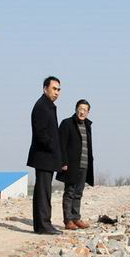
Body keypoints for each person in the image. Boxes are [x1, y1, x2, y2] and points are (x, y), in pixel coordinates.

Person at [27, 76, 63, 235]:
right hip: (43, 156)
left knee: (44, 191)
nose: (57, 92)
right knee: (43, 192)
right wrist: (53, 147)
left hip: (48, 157)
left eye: (59, 89)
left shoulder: (49, 106)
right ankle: (43, 225)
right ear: (45, 89)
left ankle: (43, 224)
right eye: (54, 88)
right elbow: (41, 134)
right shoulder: (41, 106)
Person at [57, 100, 94, 230]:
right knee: (70, 192)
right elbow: (61, 144)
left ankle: (76, 218)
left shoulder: (88, 125)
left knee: (79, 192)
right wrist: (63, 162)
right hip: (71, 165)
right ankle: (68, 220)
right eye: (80, 109)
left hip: (84, 164)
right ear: (76, 109)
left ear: (88, 112)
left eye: (85, 110)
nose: (82, 112)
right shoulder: (67, 123)